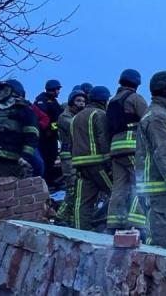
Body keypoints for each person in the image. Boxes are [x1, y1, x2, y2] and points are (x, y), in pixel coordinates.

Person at [135, 71, 166, 249]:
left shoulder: (162, 114)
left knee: (165, 238)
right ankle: (152, 276)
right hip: (159, 191)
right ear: (163, 89)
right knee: (160, 243)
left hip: (161, 190)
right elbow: (164, 153)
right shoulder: (158, 117)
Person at [0, 80, 40, 185]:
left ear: (15, 92)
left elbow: (32, 135)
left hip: (10, 162)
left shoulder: (24, 111)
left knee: (9, 193)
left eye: (5, 89)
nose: (1, 92)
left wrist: (25, 156)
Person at [106, 69, 148, 232]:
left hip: (115, 149)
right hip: (132, 147)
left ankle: (114, 222)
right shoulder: (135, 98)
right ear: (137, 83)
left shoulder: (112, 101)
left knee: (119, 187)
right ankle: (137, 223)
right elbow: (148, 120)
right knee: (141, 183)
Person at [71, 86, 112, 230]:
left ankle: (80, 233)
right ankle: (112, 229)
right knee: (115, 193)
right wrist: (110, 165)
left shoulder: (76, 117)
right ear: (103, 100)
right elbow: (103, 140)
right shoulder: (99, 114)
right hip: (97, 164)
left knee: (83, 202)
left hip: (80, 166)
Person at [54, 89, 86, 225]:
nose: (82, 104)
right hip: (68, 156)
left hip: (77, 155)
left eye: (84, 101)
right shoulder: (64, 117)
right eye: (79, 100)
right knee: (72, 189)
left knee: (79, 189)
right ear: (72, 101)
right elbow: (77, 127)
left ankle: (71, 219)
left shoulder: (79, 115)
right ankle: (60, 217)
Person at [34, 79, 63, 186]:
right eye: (58, 89)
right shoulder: (42, 101)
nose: (59, 92)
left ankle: (50, 181)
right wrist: (51, 129)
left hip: (52, 136)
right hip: (45, 138)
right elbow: (44, 120)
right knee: (46, 159)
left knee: (52, 158)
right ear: (54, 89)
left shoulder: (53, 101)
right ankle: (46, 182)